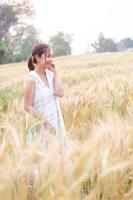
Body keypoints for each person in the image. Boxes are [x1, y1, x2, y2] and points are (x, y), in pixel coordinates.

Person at [24, 43, 66, 146]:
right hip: (40, 127)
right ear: (38, 57)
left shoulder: (51, 75)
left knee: (60, 157)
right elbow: (27, 106)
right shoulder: (31, 79)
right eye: (48, 56)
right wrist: (46, 122)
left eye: (52, 56)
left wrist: (56, 72)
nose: (51, 59)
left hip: (56, 122)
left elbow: (60, 93)